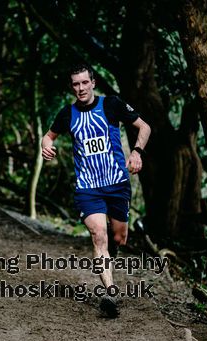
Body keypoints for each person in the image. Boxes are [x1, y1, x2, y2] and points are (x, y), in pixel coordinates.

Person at [41, 64, 151, 318]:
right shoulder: (67, 114)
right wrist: (46, 147)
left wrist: (137, 152)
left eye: (84, 83)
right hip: (87, 188)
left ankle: (108, 257)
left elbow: (144, 127)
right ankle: (110, 291)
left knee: (118, 238)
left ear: (93, 83)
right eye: (75, 84)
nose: (80, 88)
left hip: (117, 184)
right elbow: (49, 136)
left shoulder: (112, 105)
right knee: (99, 234)